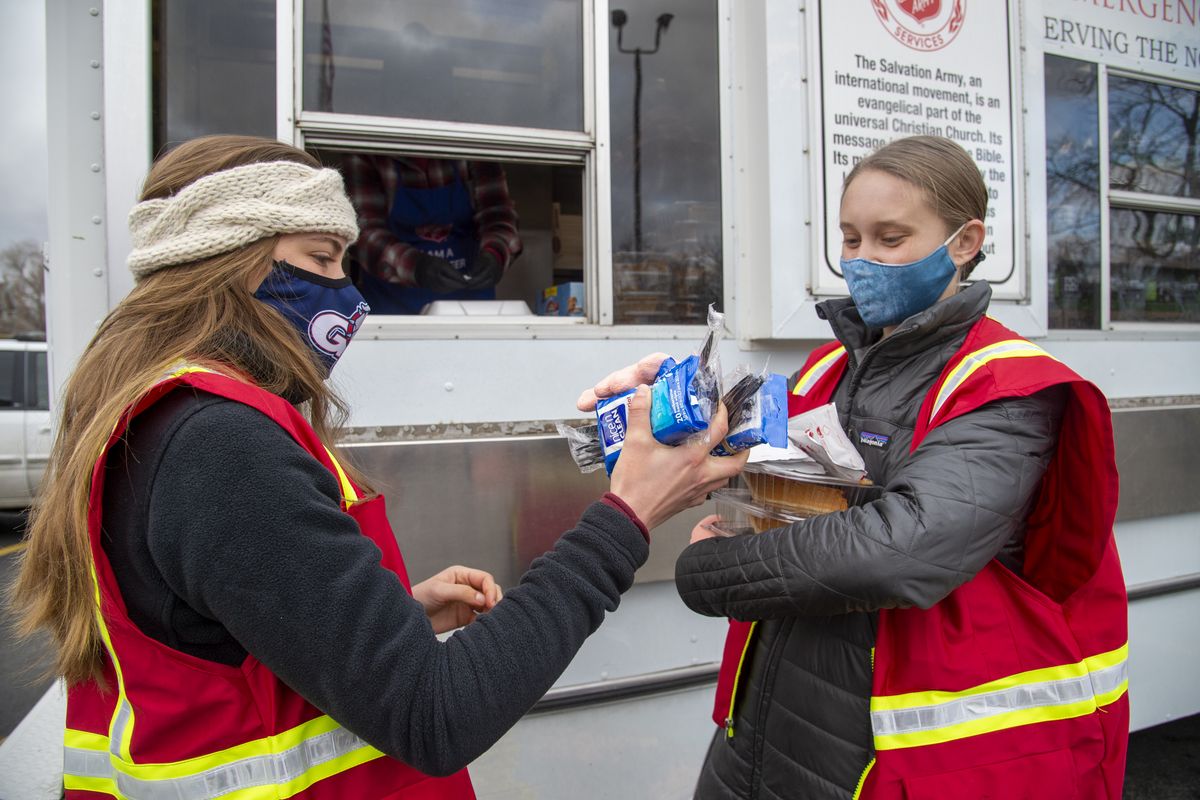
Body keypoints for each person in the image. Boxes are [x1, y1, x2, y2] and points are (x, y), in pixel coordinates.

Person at [8, 135, 745, 799]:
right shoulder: (217, 444)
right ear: (227, 263)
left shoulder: (164, 418)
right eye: (322, 259)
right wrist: (627, 517)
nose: (349, 294)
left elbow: (221, 635)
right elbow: (434, 715)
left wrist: (381, 619)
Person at [582, 136, 1128, 799]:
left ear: (964, 241)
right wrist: (642, 426)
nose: (861, 260)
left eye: (889, 238)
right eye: (849, 238)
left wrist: (711, 573)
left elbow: (904, 548)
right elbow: (762, 481)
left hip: (905, 762)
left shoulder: (1007, 389)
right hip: (766, 732)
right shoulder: (826, 368)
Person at [343, 153, 522, 314]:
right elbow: (362, 233)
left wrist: (495, 254)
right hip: (394, 308)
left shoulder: (472, 147)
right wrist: (417, 266)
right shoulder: (368, 153)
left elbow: (498, 214)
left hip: (471, 307)